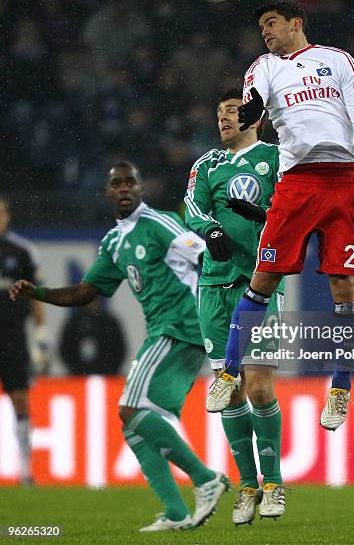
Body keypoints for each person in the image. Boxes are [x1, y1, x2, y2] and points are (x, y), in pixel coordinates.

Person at [206, 1, 354, 431]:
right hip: (295, 182)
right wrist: (254, 111)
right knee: (264, 279)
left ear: (295, 23)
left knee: (344, 286)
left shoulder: (338, 61)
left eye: (271, 23)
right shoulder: (262, 66)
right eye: (261, 26)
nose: (265, 32)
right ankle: (226, 373)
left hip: (340, 182)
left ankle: (340, 389)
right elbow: (255, 102)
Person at [10, 162, 229, 532]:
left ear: (141, 188)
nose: (124, 187)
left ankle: (205, 478)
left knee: (129, 408)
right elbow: (85, 292)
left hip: (181, 326)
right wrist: (39, 293)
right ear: (108, 192)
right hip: (170, 332)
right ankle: (176, 513)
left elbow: (206, 254)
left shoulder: (158, 224)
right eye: (117, 183)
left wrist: (217, 309)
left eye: (131, 182)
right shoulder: (114, 241)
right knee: (133, 426)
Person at [185, 89, 285, 523]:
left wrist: (264, 218)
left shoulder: (278, 159)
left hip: (259, 282)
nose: (223, 118)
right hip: (213, 285)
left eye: (231, 111)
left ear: (253, 117)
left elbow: (293, 209)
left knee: (260, 386)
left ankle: (274, 484)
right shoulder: (207, 165)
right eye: (218, 112)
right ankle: (247, 485)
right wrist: (210, 232)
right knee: (230, 392)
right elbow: (192, 207)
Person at [0, 196, 50, 485]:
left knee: (20, 398)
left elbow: (36, 296)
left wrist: (40, 338)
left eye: (2, 212)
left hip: (12, 333)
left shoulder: (21, 251)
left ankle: (26, 470)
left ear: (8, 216)